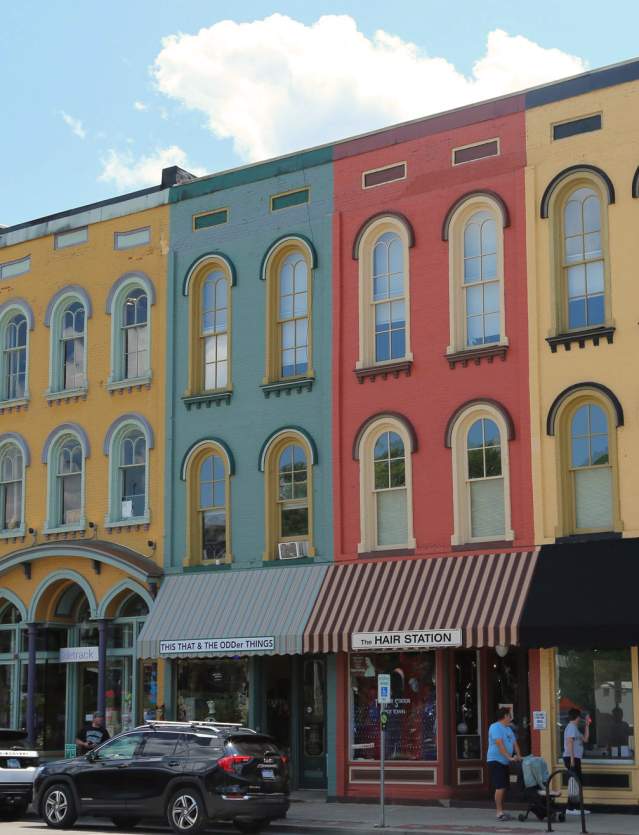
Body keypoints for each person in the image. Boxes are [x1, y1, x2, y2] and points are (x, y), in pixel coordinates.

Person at [487, 707, 522, 821]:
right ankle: (499, 812)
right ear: (505, 716)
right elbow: (499, 744)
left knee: (504, 787)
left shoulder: (508, 729)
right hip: (495, 760)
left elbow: (515, 743)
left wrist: (519, 755)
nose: (511, 718)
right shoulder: (495, 727)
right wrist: (509, 757)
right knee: (500, 786)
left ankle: (502, 810)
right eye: (510, 716)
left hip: (505, 761)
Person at [563, 708, 591, 815]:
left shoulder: (575, 728)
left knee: (577, 782)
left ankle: (577, 807)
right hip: (572, 758)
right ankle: (571, 808)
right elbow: (569, 742)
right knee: (574, 782)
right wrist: (572, 759)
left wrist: (587, 725)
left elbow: (585, 739)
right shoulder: (571, 727)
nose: (580, 719)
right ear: (577, 717)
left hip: (575, 758)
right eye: (579, 717)